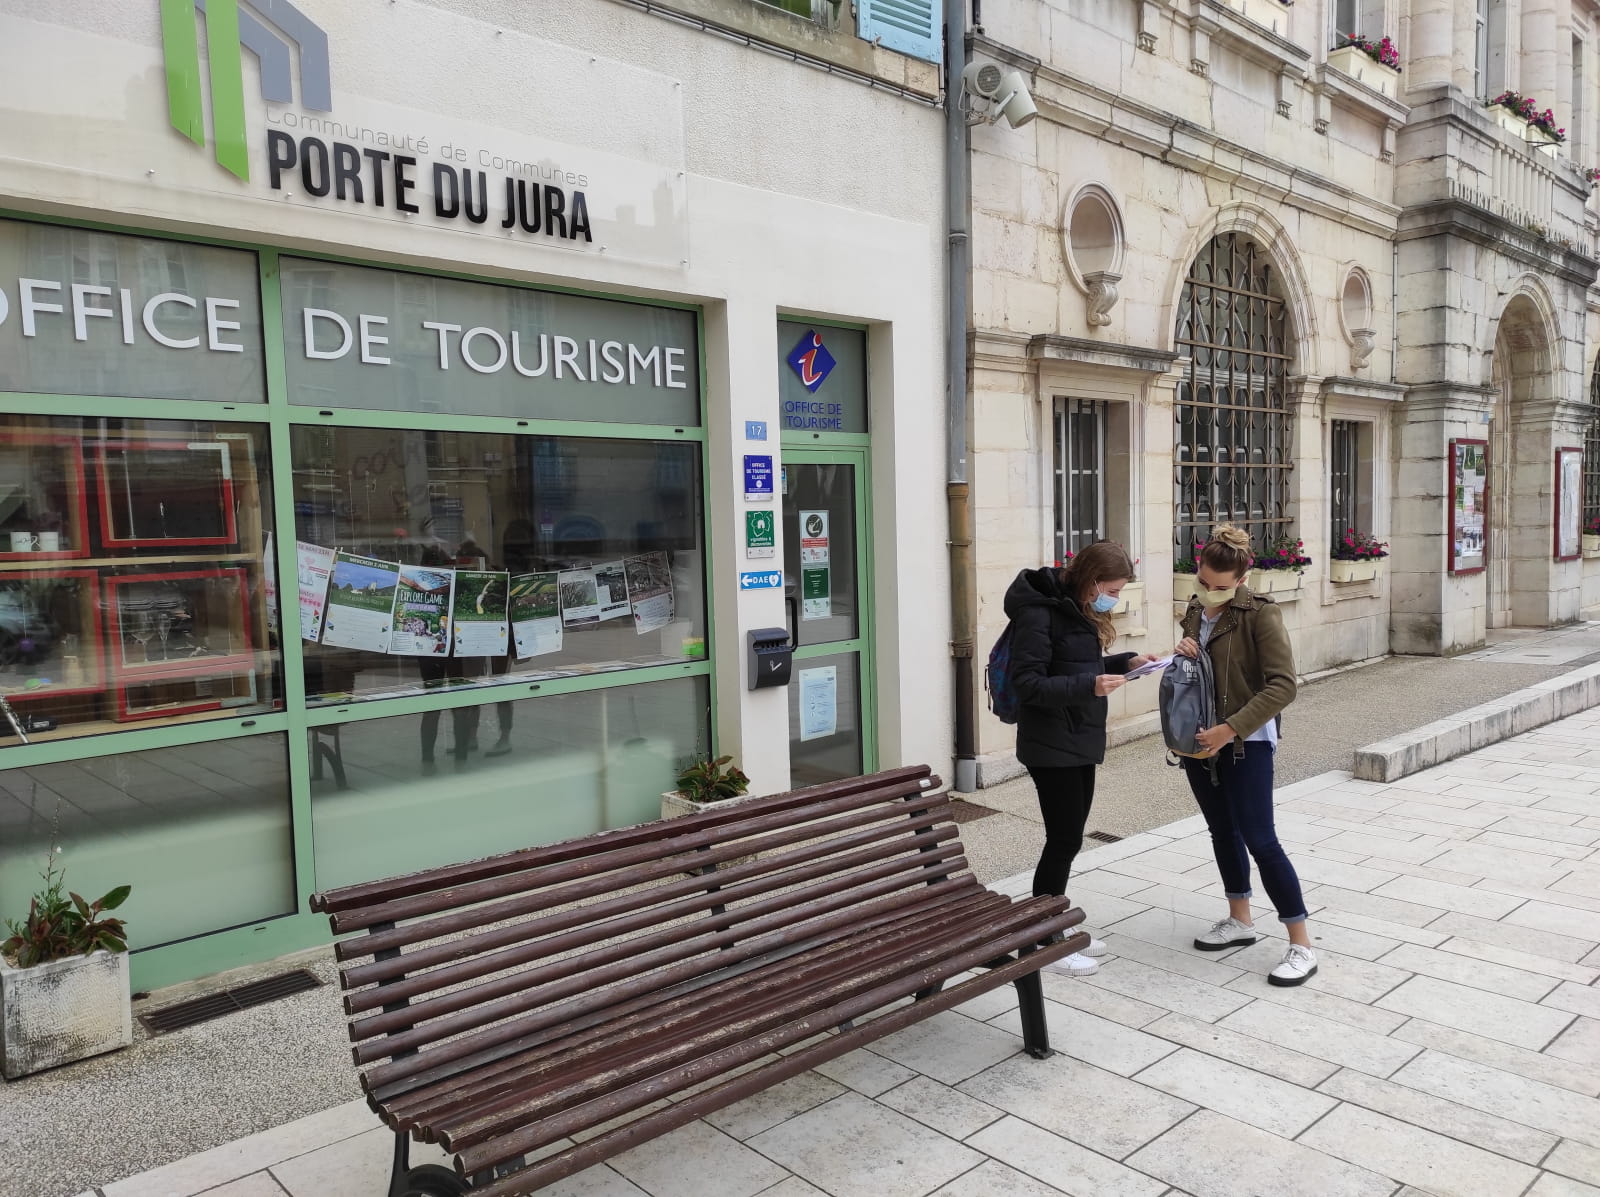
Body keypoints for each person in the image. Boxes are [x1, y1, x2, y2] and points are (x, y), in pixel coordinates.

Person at [1004, 541, 1157, 977]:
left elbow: (1073, 664)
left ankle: (1053, 922)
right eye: (1112, 589)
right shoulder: (1039, 613)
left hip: (1076, 737)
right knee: (1063, 840)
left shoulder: (1074, 607)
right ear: (1091, 580)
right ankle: (1045, 938)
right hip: (1051, 743)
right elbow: (1028, 683)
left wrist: (1125, 662)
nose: (1114, 598)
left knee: (1068, 839)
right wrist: (1089, 686)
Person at [1175, 524, 1316, 987]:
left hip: (1244, 743)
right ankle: (1240, 919)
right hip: (1200, 740)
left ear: (1242, 578)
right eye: (1203, 582)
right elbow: (1202, 673)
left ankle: (1301, 944)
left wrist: (1231, 728)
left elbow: (1283, 685)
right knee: (1222, 830)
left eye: (1220, 587)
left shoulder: (1261, 613)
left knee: (1261, 839)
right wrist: (1184, 652)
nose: (1209, 593)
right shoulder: (1195, 608)